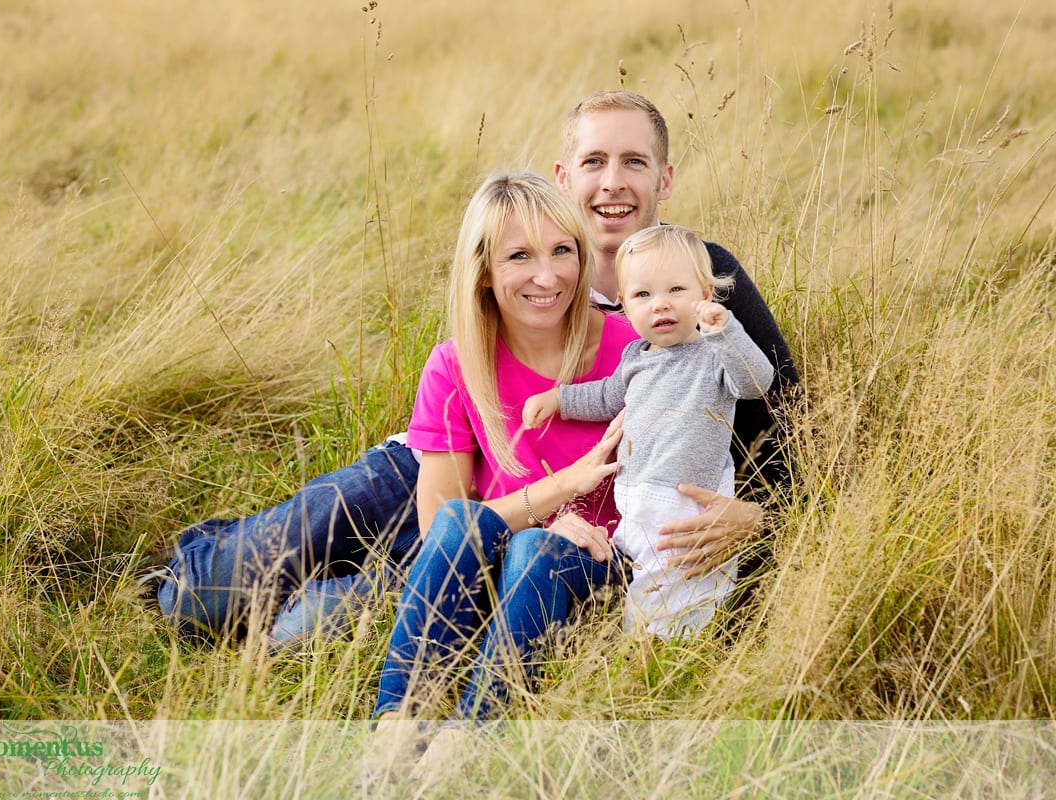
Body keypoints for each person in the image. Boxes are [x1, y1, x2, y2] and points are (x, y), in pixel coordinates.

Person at [154, 89, 798, 646]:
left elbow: (780, 417)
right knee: (207, 594)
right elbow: (468, 376)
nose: (613, 182)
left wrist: (758, 515)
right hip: (440, 463)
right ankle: (197, 560)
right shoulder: (527, 261)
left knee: (316, 628)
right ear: (563, 178)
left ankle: (328, 599)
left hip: (536, 514)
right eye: (594, 162)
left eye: (635, 162)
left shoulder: (697, 281)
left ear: (665, 178)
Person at [371, 169, 633, 736]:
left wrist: (559, 528)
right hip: (487, 573)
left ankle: (464, 744)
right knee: (305, 622)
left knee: (537, 550)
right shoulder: (455, 364)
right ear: (485, 272)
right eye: (520, 256)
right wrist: (560, 490)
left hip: (598, 571)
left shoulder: (634, 352)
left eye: (563, 250)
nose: (548, 275)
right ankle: (395, 730)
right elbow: (441, 527)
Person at [522, 224, 774, 638]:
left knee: (682, 582)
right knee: (641, 583)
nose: (661, 306)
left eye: (676, 290)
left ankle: (676, 648)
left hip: (688, 501)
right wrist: (559, 399)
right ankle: (635, 646)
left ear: (705, 294)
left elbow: (755, 382)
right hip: (635, 500)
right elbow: (605, 397)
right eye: (643, 295)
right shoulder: (636, 356)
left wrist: (724, 329)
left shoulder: (713, 354)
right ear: (623, 304)